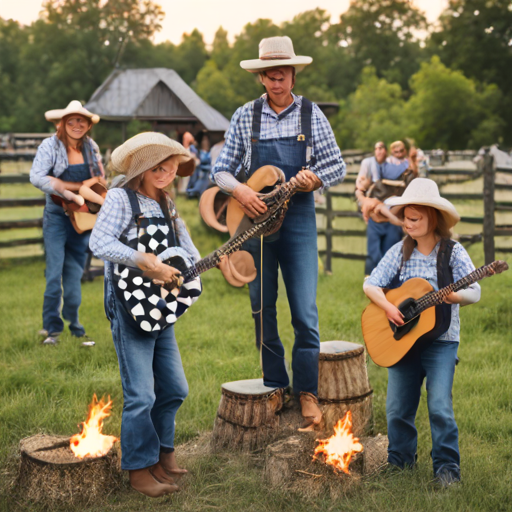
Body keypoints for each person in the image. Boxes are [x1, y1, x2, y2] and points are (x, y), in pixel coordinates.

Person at [211, 36, 346, 430]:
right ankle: (275, 386)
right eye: (270, 76)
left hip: (299, 217)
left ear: (293, 73)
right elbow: (220, 169)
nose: (277, 82)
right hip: (254, 224)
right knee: (262, 308)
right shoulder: (244, 116)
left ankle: (307, 392)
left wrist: (313, 179)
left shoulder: (311, 114)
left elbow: (336, 165)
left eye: (283, 75)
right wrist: (239, 189)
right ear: (261, 77)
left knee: (304, 311)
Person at [90, 132, 200, 498]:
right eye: (158, 166)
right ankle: (138, 470)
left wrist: (219, 264)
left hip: (159, 305)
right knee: (141, 394)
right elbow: (99, 242)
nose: (167, 173)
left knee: (173, 388)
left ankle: (161, 457)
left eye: (171, 167)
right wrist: (142, 261)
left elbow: (187, 250)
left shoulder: (167, 204)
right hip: (128, 302)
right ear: (141, 167)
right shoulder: (121, 198)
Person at [363, 178, 481, 487]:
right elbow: (370, 284)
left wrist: (454, 296)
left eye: (414, 218)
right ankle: (400, 463)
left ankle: (447, 471)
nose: (406, 223)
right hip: (403, 341)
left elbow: (475, 290)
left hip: (442, 342)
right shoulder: (400, 252)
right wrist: (390, 309)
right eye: (405, 217)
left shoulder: (452, 253)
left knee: (439, 405)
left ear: (433, 219)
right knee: (397, 409)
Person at [30, 100, 105, 347]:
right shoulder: (50, 146)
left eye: (80, 120)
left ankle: (75, 326)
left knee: (74, 276)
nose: (76, 125)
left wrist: (80, 190)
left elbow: (99, 180)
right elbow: (37, 176)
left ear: (87, 124)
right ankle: (52, 329)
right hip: (57, 217)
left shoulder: (91, 147)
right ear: (62, 123)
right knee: (54, 275)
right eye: (71, 120)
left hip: (82, 219)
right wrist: (69, 189)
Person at [355, 141, 409, 275]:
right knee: (373, 254)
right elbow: (360, 189)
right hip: (376, 218)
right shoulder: (371, 167)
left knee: (390, 252)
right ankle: (370, 283)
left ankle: (387, 284)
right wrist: (365, 202)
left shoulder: (405, 170)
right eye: (376, 149)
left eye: (401, 151)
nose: (378, 151)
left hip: (394, 217)